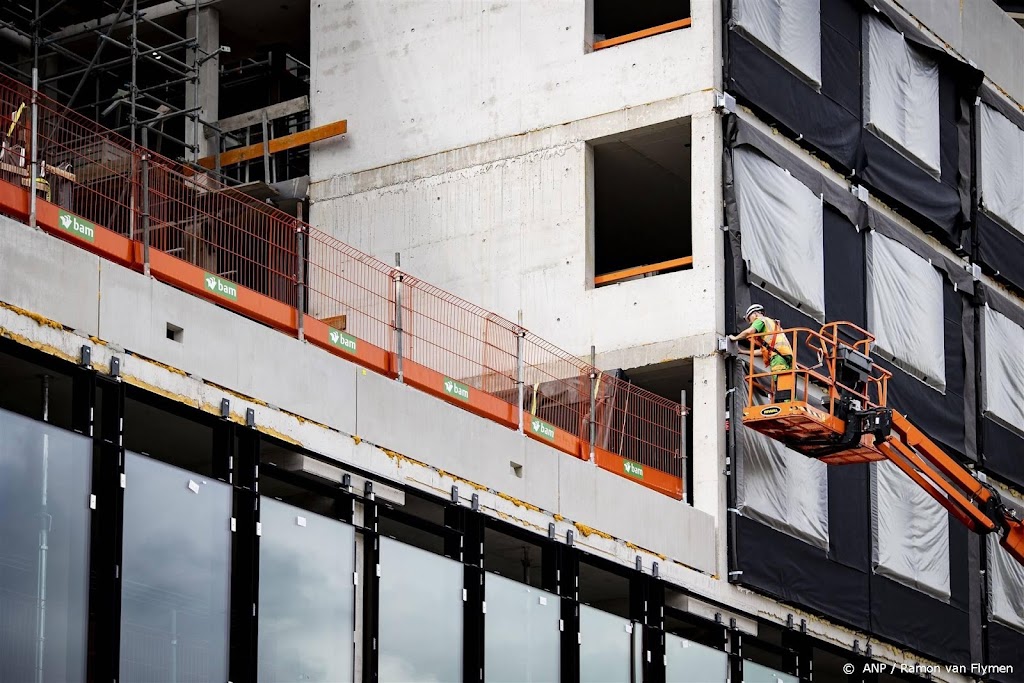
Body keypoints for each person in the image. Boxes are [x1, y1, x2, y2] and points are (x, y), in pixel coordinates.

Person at [730, 304, 794, 401]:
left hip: (778, 358)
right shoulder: (773, 326)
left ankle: (786, 404)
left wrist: (735, 338)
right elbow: (763, 351)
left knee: (781, 384)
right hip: (785, 357)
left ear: (755, 314)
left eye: (749, 318)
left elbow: (749, 332)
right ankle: (791, 404)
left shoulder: (760, 320)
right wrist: (743, 351)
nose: (750, 322)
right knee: (789, 384)